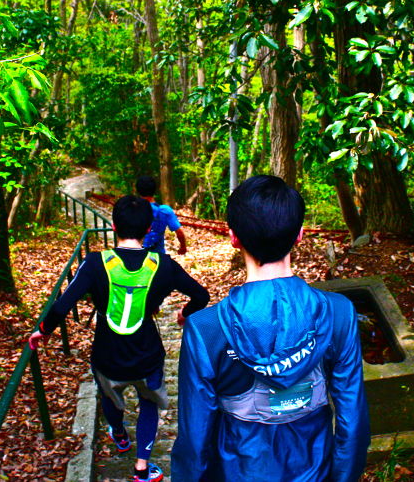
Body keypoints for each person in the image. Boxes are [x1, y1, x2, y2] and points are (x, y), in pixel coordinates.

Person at [171, 175, 370, 482]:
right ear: (300, 235)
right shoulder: (339, 312)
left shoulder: (205, 329)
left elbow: (194, 439)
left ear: (233, 237)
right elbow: (352, 419)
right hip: (315, 470)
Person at [30, 195, 210, 482]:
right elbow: (201, 295)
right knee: (148, 404)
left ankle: (121, 436)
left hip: (106, 355)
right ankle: (142, 467)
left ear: (113, 226)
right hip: (148, 355)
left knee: (110, 399)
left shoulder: (94, 263)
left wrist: (43, 329)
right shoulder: (163, 265)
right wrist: (185, 313)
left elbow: (63, 304)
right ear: (150, 227)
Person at [136, 175, 187, 257]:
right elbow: (179, 232)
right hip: (158, 257)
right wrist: (183, 247)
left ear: (138, 190)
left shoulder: (133, 208)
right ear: (155, 190)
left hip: (137, 255)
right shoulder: (165, 210)